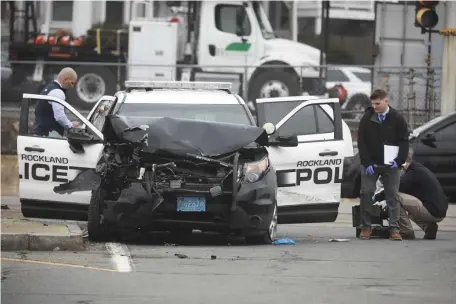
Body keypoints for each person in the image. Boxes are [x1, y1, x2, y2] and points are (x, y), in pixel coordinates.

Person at [357, 89, 409, 241]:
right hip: (371, 164)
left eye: (377, 103)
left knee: (392, 195)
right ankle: (366, 227)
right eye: (372, 103)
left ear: (386, 101)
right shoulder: (367, 117)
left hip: (390, 164)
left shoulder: (397, 118)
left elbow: (404, 141)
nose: (374, 106)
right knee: (366, 192)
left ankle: (394, 228)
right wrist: (366, 162)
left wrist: (399, 161)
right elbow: (362, 142)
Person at [373, 149, 448, 240]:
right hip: (439, 211)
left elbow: (392, 190)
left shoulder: (412, 173)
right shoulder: (418, 169)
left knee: (394, 197)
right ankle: (429, 227)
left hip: (431, 211)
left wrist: (375, 198)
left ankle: (406, 231)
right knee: (410, 210)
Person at [32, 67, 79, 137]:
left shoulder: (49, 87)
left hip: (40, 133)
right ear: (65, 80)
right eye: (72, 83)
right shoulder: (58, 92)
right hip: (47, 136)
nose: (72, 86)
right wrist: (71, 125)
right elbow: (59, 117)